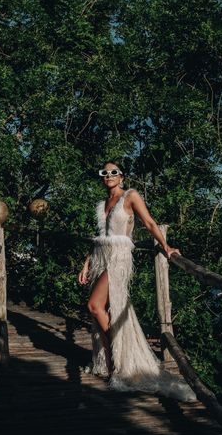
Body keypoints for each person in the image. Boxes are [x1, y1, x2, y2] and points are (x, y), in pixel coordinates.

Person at [78, 161, 196, 402]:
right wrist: (86, 263)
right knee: (105, 310)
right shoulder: (102, 204)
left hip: (119, 260)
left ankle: (115, 361)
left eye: (114, 172)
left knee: (94, 306)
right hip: (101, 257)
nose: (109, 176)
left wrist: (166, 247)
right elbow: (100, 238)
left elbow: (150, 223)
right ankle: (116, 361)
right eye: (104, 172)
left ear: (122, 176)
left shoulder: (130, 196)